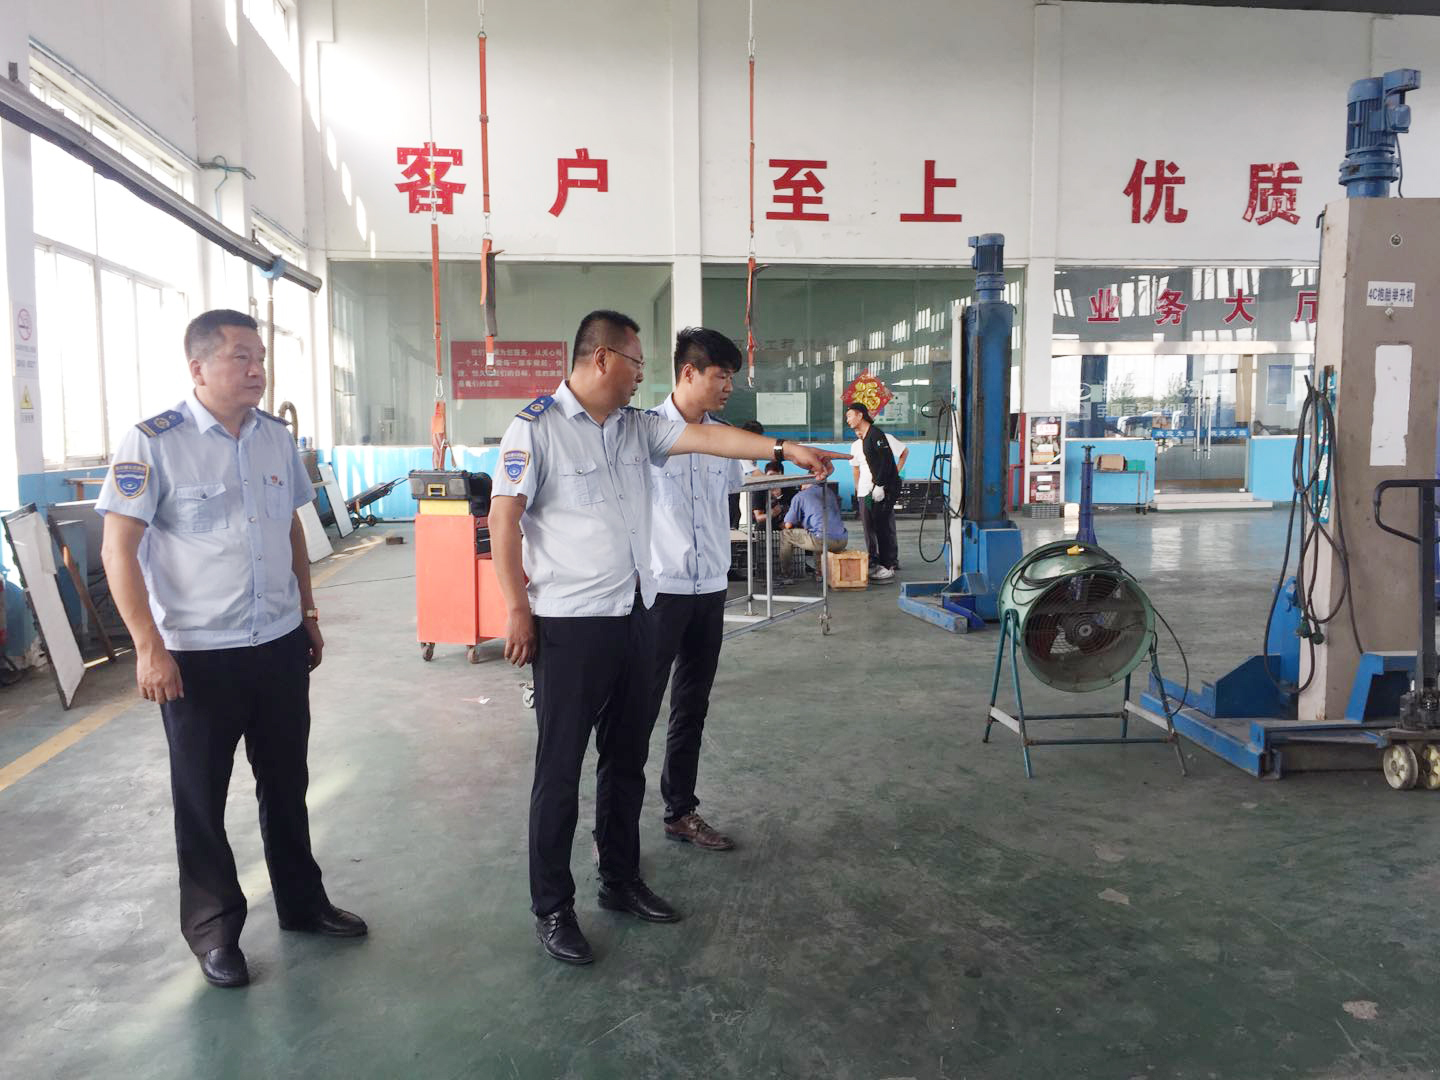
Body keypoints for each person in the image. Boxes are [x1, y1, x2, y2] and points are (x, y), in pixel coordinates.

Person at [488, 310, 844, 966]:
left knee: (626, 758)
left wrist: (785, 450)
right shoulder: (536, 428)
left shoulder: (636, 428)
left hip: (635, 614)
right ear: (600, 358)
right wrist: (516, 608)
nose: (640, 375)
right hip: (568, 625)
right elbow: (503, 519)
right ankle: (553, 908)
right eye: (634, 362)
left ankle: (620, 880)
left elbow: (710, 439)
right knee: (559, 770)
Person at [97, 309, 366, 991]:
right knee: (201, 797)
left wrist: (306, 610)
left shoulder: (275, 437)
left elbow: (293, 530)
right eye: (240, 357)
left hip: (276, 644)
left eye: (261, 357)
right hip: (196, 655)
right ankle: (215, 931)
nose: (256, 369)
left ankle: (302, 903)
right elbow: (119, 549)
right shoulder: (154, 442)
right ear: (198, 368)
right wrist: (148, 648)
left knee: (287, 782)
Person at [644, 327, 746, 853]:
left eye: (732, 378)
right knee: (636, 708)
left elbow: (725, 502)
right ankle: (613, 828)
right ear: (689, 372)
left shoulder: (726, 441)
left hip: (709, 591)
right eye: (721, 376)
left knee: (691, 706)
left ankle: (680, 810)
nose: (729, 386)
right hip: (659, 592)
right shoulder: (643, 433)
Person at [845, 402, 900, 582]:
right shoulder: (865, 438)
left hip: (885, 488)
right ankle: (878, 562)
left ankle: (888, 565)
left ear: (860, 415)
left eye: (850, 416)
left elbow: (886, 462)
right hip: (870, 490)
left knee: (883, 527)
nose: (848, 420)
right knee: (873, 525)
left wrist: (880, 485)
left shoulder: (876, 435)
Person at [780, 480, 849, 575]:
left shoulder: (800, 496)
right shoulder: (829, 492)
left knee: (786, 534)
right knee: (817, 531)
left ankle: (785, 573)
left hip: (822, 541)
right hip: (843, 540)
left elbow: (788, 525)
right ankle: (820, 572)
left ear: (803, 484)